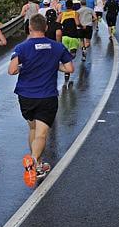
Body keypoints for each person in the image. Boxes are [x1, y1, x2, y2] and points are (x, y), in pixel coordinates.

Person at [8, 14, 74, 187]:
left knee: (32, 129)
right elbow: (70, 68)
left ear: (30, 28)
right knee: (41, 134)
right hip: (47, 96)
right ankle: (34, 160)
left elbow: (12, 70)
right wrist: (55, 66)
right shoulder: (57, 47)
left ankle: (36, 164)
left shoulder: (21, 47)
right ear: (45, 28)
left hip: (26, 96)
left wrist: (24, 66)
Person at [59, 0, 81, 83]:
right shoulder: (75, 13)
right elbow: (77, 23)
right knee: (73, 54)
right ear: (72, 6)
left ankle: (66, 69)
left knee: (65, 53)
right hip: (73, 36)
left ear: (65, 6)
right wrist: (81, 26)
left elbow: (57, 23)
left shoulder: (62, 14)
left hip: (64, 36)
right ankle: (68, 67)